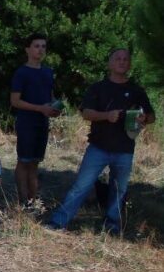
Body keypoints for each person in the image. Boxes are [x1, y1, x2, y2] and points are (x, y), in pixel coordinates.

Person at [47, 48, 155, 234]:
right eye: (118, 58)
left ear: (129, 64)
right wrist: (107, 116)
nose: (122, 62)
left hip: (125, 149)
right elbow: (86, 113)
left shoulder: (136, 90)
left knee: (119, 190)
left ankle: (112, 226)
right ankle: (58, 222)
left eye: (126, 59)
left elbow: (152, 116)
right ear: (110, 63)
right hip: (98, 147)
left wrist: (144, 118)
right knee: (81, 186)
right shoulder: (98, 88)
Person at [10, 33, 61, 210]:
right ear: (28, 49)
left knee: (35, 163)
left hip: (42, 123)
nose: (40, 49)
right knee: (24, 161)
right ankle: (22, 201)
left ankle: (33, 200)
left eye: (43, 46)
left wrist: (55, 108)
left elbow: (50, 96)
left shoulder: (48, 72)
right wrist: (40, 108)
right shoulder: (21, 73)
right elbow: (15, 101)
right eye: (36, 46)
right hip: (27, 123)